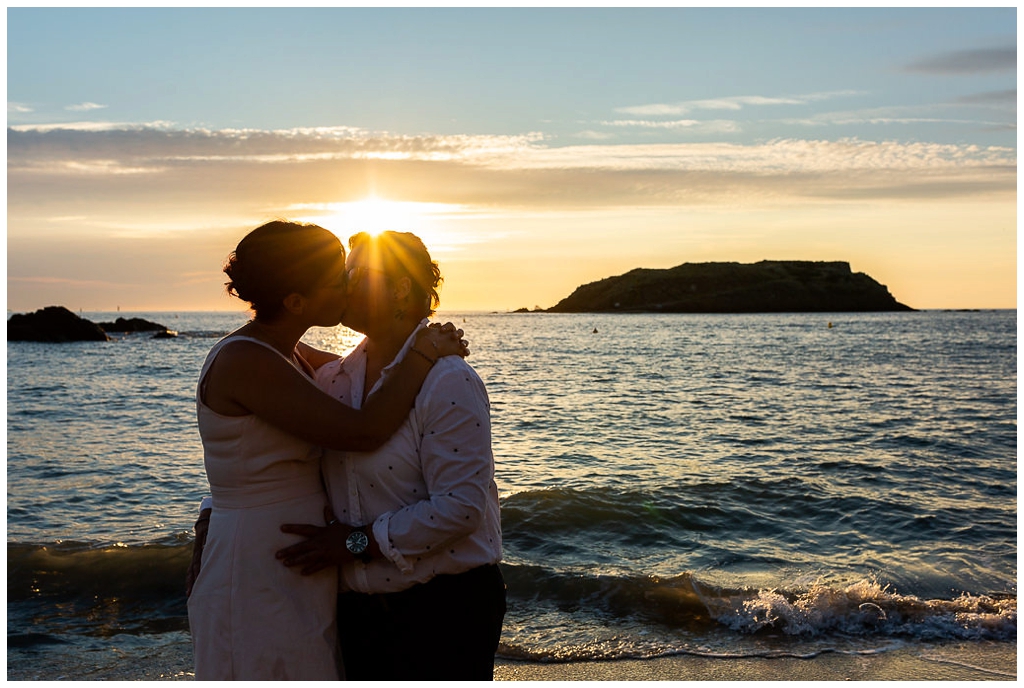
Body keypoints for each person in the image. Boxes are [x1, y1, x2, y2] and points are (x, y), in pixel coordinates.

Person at [186, 220, 468, 681]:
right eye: (338, 279)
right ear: (297, 302)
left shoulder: (286, 352)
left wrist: (426, 344)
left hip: (301, 558)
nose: (349, 284)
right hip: (260, 561)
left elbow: (357, 370)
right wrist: (422, 351)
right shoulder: (245, 360)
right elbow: (362, 431)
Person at [277, 230, 505, 680]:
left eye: (357, 274)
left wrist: (355, 542)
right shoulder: (336, 381)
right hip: (358, 613)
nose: (343, 285)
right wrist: (216, 516)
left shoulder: (448, 380)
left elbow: (461, 509)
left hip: (445, 608)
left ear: (401, 286)